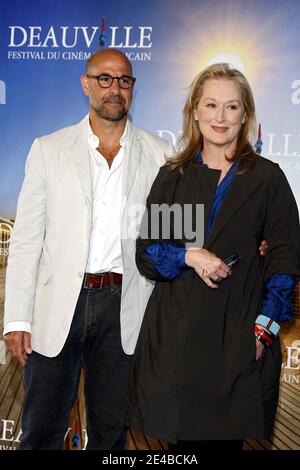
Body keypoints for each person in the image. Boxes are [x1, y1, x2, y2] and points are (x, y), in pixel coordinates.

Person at [3, 49, 173, 450]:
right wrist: (17, 320)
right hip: (58, 306)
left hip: (125, 311)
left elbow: (175, 236)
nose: (115, 88)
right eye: (105, 79)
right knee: (41, 432)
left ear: (133, 89)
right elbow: (26, 240)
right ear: (86, 84)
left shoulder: (162, 156)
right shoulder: (48, 149)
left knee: (111, 435)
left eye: (124, 81)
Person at [127, 63, 300, 450]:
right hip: (177, 343)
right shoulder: (176, 176)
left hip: (234, 341)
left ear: (245, 116)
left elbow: (285, 263)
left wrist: (263, 331)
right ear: (194, 111)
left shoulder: (266, 179)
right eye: (210, 105)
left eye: (232, 107)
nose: (220, 117)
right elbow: (148, 253)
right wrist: (190, 256)